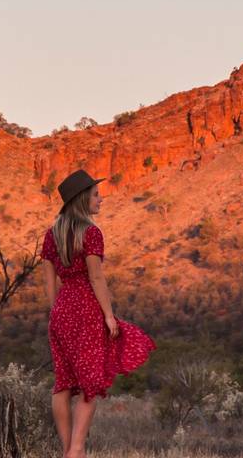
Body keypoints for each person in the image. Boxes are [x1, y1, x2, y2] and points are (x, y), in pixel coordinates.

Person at [42, 169, 155, 458]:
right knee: (90, 383)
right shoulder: (91, 233)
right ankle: (76, 450)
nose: (100, 199)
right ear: (82, 199)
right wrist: (108, 314)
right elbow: (96, 278)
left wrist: (57, 315)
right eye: (95, 195)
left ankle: (67, 450)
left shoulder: (51, 236)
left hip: (61, 311)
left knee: (63, 383)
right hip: (87, 308)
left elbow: (49, 283)